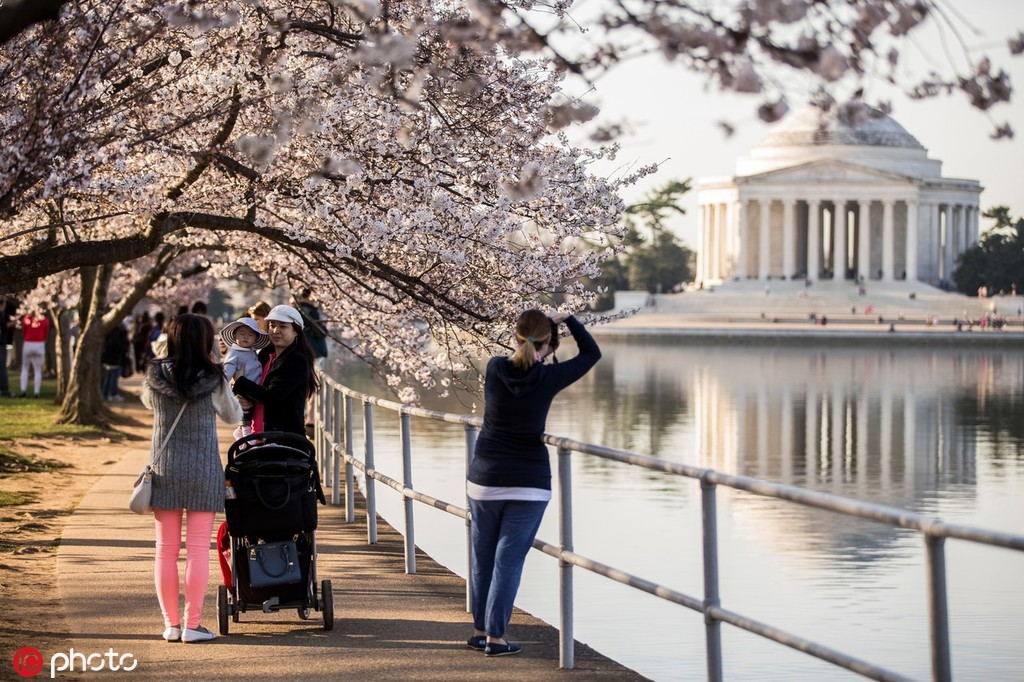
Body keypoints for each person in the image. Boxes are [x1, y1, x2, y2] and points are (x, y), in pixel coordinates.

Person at [466, 309, 600, 657]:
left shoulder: (495, 368)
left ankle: (481, 632)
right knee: (508, 561)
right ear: (551, 345)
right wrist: (568, 319)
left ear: (516, 338)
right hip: (529, 481)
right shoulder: (550, 377)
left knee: (483, 556)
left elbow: (516, 358)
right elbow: (591, 354)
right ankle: (497, 638)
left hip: (485, 477)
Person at [141, 314, 242, 644]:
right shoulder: (214, 377)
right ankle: (192, 625)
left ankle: (170, 625)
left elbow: (146, 403)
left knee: (165, 550)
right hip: (203, 470)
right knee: (198, 549)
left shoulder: (155, 375)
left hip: (165, 469)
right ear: (206, 341)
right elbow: (233, 416)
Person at [232, 305, 318, 436]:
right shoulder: (266, 354)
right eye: (272, 325)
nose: (275, 330)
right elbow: (255, 387)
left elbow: (272, 397)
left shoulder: (296, 360)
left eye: (283, 326)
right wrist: (246, 400)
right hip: (259, 431)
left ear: (296, 332)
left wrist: (240, 381)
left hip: (284, 436)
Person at [218, 317, 270, 439]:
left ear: (256, 338)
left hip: (253, 385)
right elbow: (228, 369)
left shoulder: (251, 352)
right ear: (235, 335)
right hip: (243, 386)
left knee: (251, 409)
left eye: (250, 335)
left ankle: (241, 430)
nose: (246, 337)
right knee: (245, 408)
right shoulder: (235, 353)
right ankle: (245, 430)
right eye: (242, 334)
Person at [295, 288, 328, 432]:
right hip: (314, 352)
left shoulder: (296, 311)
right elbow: (322, 332)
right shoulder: (310, 311)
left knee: (303, 382)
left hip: (302, 352)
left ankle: (305, 415)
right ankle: (310, 417)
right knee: (313, 384)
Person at [18, 307, 49, 398]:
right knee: (37, 370)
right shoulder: (44, 320)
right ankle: (36, 392)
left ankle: (23, 390)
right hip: (39, 343)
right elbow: (46, 333)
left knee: (25, 368)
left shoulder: (26, 319)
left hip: (28, 343)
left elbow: (23, 331)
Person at [100, 319, 130, 402]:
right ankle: (112, 394)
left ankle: (106, 394)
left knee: (109, 376)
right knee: (113, 376)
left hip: (108, 357)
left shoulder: (108, 331)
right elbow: (118, 345)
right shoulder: (116, 332)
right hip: (114, 357)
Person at [0, 297, 17, 396]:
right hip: (1, 344)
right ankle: (4, 389)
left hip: (2, 343)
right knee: (2, 367)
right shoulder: (1, 315)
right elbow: (3, 326)